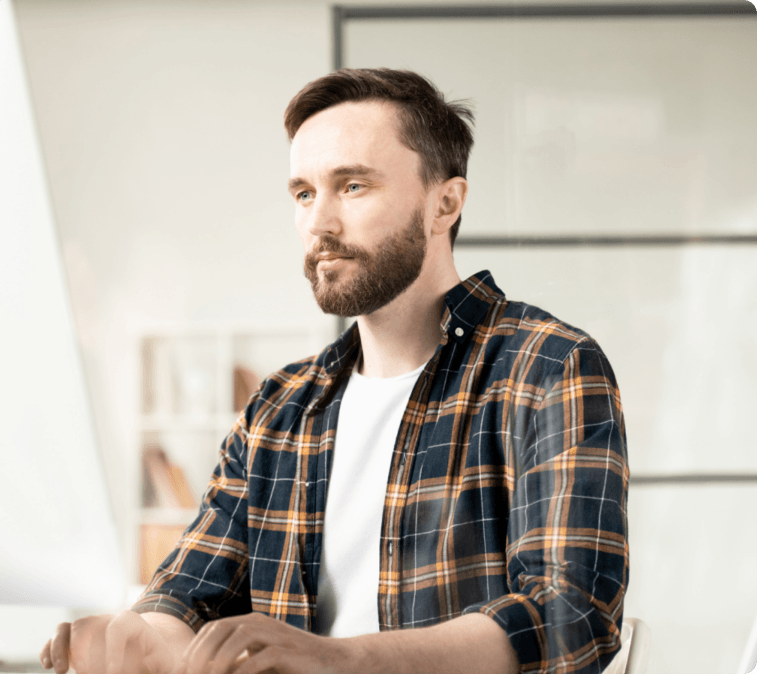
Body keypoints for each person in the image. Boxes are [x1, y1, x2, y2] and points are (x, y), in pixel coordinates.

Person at [40, 68, 628, 674]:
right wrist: (137, 638)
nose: (319, 224)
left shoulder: (548, 368)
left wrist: (335, 659)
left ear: (444, 203)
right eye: (303, 193)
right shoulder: (280, 406)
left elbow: (569, 619)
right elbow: (189, 592)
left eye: (351, 187)